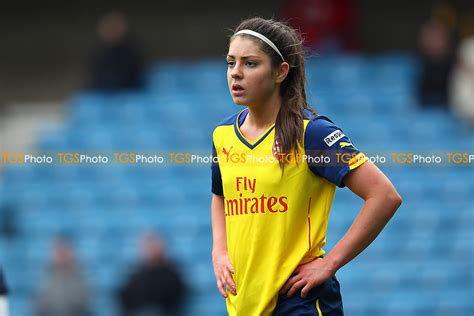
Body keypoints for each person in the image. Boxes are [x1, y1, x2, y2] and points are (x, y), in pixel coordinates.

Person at [211, 17, 402, 315]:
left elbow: (384, 196)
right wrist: (220, 252)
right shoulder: (222, 135)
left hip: (301, 300)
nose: (235, 73)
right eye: (230, 62)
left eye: (250, 64)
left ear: (280, 72)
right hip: (245, 303)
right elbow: (221, 195)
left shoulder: (312, 134)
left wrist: (329, 263)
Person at [117, 232, 186, 316]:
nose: (150, 249)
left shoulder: (172, 273)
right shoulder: (135, 273)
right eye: (147, 246)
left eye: (153, 245)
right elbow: (124, 298)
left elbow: (174, 298)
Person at [88, 11, 144, 91]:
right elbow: (95, 77)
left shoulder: (132, 51)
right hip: (104, 91)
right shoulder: (98, 52)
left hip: (127, 92)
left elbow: (134, 76)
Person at [34, 236, 90, 316]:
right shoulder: (46, 275)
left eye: (64, 251)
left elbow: (85, 301)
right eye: (58, 251)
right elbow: (39, 304)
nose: (61, 255)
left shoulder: (81, 275)